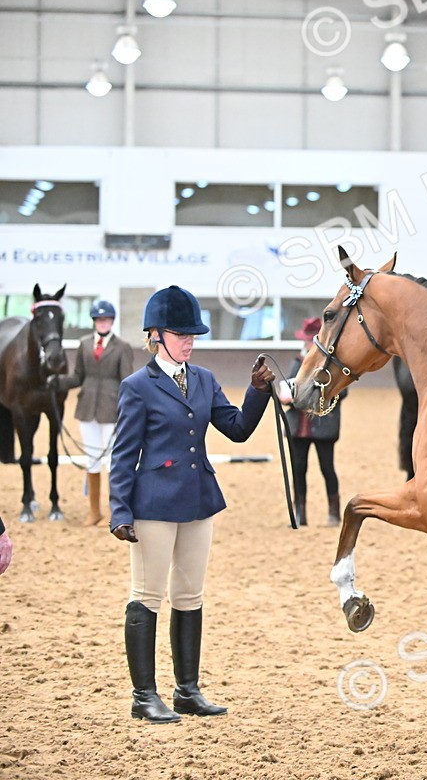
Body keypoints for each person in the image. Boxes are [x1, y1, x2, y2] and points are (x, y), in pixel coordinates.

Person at [108, 285, 275, 723]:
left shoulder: (204, 379)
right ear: (156, 335)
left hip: (199, 500)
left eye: (193, 334)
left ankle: (187, 690)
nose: (189, 341)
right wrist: (120, 511)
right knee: (147, 595)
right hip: (153, 504)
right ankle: (144, 695)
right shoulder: (137, 387)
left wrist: (257, 391)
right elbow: (124, 455)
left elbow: (236, 429)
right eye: (181, 334)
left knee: (190, 596)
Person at [55, 300, 134, 526]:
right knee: (92, 459)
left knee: (111, 461)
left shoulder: (122, 347)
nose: (103, 323)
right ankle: (94, 510)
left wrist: (126, 410)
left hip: (111, 409)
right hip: (87, 407)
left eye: (106, 319)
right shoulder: (84, 344)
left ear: (112, 321)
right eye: (99, 319)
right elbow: (77, 376)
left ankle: (113, 511)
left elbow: (127, 382)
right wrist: (56, 382)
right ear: (94, 322)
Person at [277, 317, 344, 527]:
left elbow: (341, 391)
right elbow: (288, 383)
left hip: (322, 424)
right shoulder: (298, 361)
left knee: (327, 467)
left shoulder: (332, 363)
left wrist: (311, 396)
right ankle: (300, 512)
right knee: (298, 468)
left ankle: (334, 512)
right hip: (299, 425)